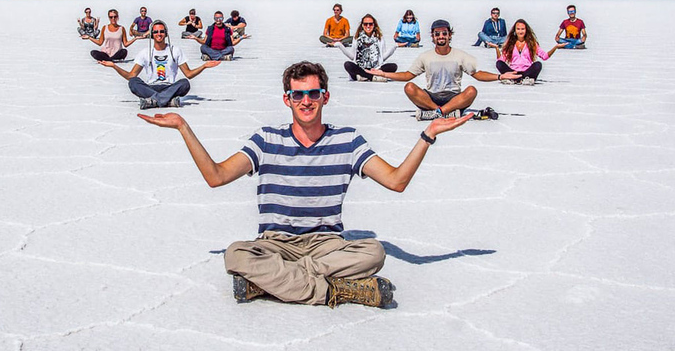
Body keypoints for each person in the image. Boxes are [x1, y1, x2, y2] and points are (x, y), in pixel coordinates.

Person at [138, 61, 472, 308]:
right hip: (275, 243)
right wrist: (184, 128)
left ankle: (270, 284)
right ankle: (337, 291)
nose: (306, 101)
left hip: (326, 245)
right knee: (236, 255)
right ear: (287, 99)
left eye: (313, 93)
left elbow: (397, 181)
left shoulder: (348, 141)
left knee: (373, 251)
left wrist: (428, 135)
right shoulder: (266, 140)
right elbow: (217, 176)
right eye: (298, 95)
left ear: (325, 96)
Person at [367, 19, 519, 120]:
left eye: (444, 34)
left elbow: (477, 74)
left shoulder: (460, 55)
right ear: (432, 37)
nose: (441, 37)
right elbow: (407, 76)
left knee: (471, 90)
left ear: (449, 36)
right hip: (431, 97)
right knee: (409, 88)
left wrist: (500, 77)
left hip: (453, 98)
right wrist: (384, 74)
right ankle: (441, 111)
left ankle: (437, 113)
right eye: (437, 34)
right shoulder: (425, 56)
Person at [98, 20, 220, 109]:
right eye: (156, 32)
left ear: (166, 34)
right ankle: (166, 101)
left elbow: (188, 74)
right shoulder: (145, 52)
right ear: (152, 34)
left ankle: (153, 101)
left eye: (161, 31)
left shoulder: (175, 50)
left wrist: (204, 66)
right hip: (151, 88)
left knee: (184, 83)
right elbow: (131, 75)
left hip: (169, 87)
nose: (159, 34)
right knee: (133, 82)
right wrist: (114, 66)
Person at [495, 19, 560, 85]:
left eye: (522, 29)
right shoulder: (510, 43)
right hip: (513, 72)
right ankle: (515, 78)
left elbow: (545, 56)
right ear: (515, 30)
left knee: (538, 64)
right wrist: (496, 48)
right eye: (518, 29)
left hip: (527, 72)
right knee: (499, 63)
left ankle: (518, 79)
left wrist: (556, 47)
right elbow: (501, 60)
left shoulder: (531, 43)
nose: (520, 31)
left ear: (526, 30)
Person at [336, 14, 397, 82]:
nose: (368, 26)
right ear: (362, 25)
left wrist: (395, 46)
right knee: (348, 65)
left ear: (374, 25)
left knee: (393, 66)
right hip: (360, 68)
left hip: (375, 69)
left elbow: (383, 57)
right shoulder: (356, 38)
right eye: (365, 24)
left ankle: (364, 76)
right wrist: (340, 45)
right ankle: (372, 77)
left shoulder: (379, 38)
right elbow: (352, 57)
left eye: (370, 24)